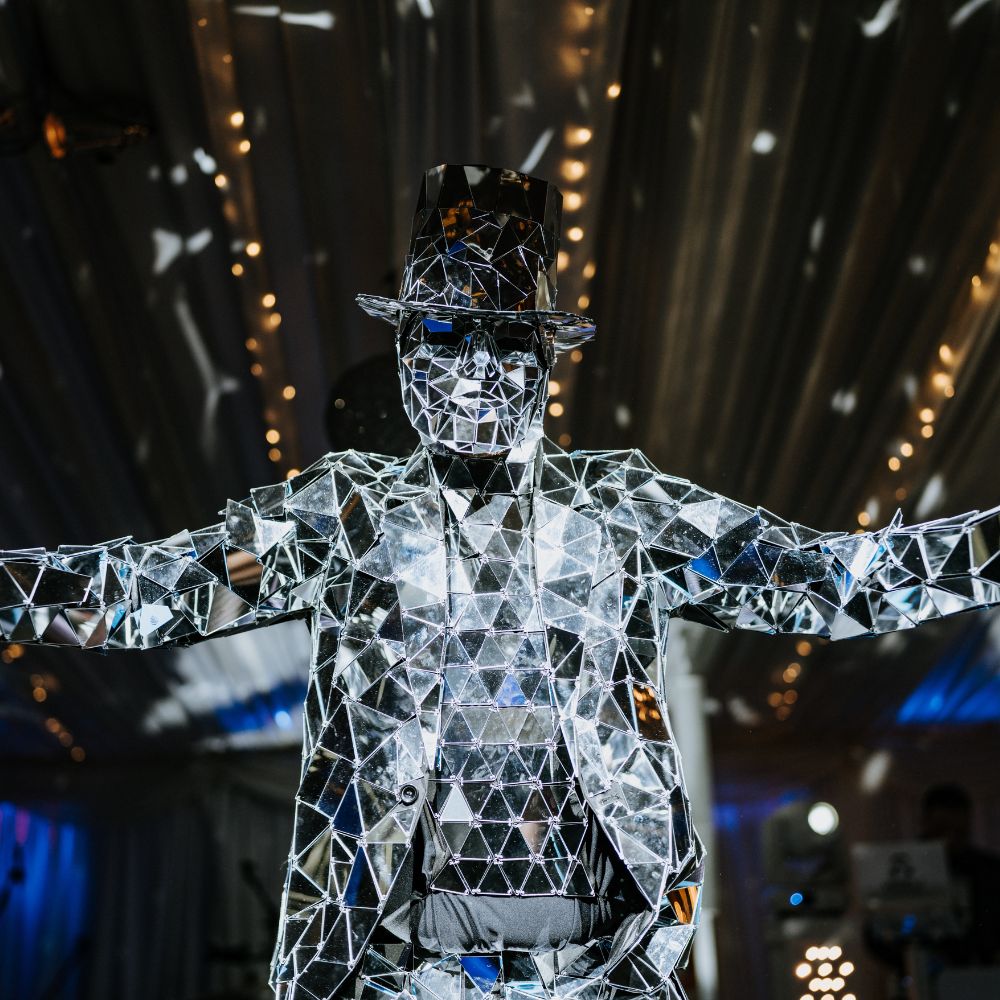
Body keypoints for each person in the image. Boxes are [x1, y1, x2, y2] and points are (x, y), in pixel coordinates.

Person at [2, 163, 999, 1000]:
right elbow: (153, 589)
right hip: (390, 972)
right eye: (446, 332)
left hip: (605, 967)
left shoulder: (618, 509)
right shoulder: (346, 515)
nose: (478, 367)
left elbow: (826, 581)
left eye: (508, 338)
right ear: (404, 350)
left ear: (544, 360)